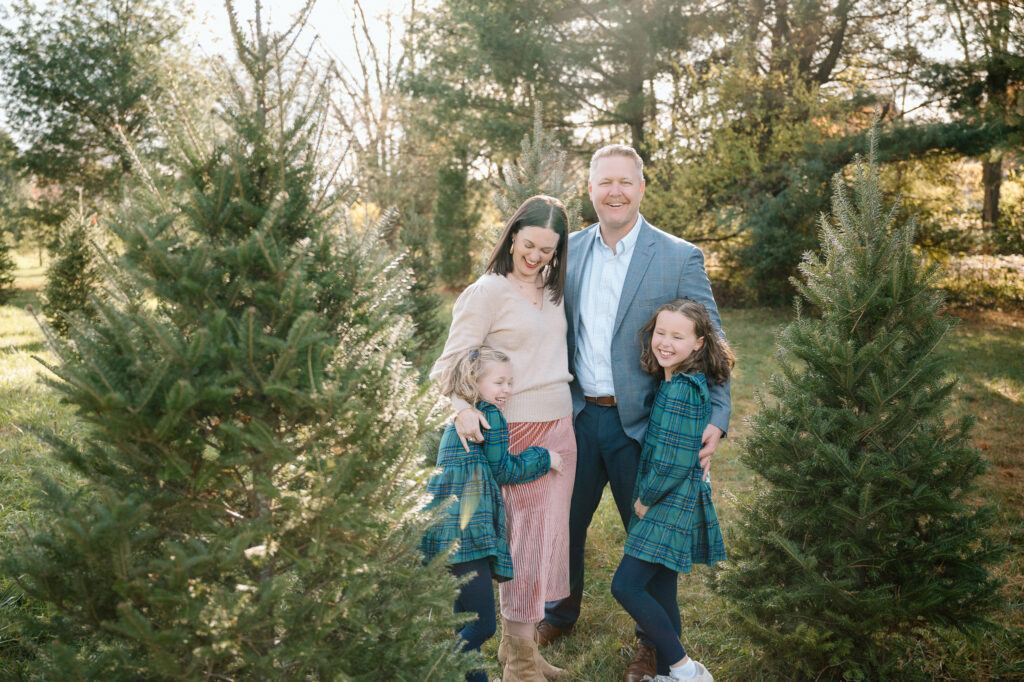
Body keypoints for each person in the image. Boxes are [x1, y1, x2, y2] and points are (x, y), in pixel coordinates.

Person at [540, 144, 732, 682]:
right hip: (579, 415)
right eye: (605, 182)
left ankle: (653, 645)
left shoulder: (677, 256)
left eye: (625, 181)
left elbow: (713, 339)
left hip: (644, 425)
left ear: (642, 187)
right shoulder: (569, 251)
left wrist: (717, 416)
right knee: (565, 524)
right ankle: (560, 611)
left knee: (649, 535)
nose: (615, 191)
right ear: (591, 190)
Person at [431, 195, 576, 682]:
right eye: (529, 244)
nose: (536, 256)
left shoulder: (554, 291)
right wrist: (462, 409)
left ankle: (523, 652)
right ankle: (519, 665)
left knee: (544, 544)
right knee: (524, 548)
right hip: (516, 432)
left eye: (547, 250)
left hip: (561, 428)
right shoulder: (487, 292)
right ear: (512, 236)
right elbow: (449, 364)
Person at [421, 346, 564, 682]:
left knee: (465, 621)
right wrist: (545, 458)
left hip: (442, 529)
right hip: (468, 533)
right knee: (483, 625)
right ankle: (434, 666)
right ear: (474, 382)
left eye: (510, 382)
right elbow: (503, 469)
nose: (507, 390)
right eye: (499, 382)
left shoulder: (459, 419)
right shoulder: (489, 416)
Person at [611, 299, 734, 682]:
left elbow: (673, 462)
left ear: (698, 343)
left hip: (666, 501)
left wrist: (645, 499)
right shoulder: (673, 381)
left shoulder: (681, 390)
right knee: (662, 587)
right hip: (673, 498)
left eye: (677, 336)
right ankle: (667, 672)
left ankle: (687, 670)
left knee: (626, 586)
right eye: (660, 333)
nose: (665, 342)